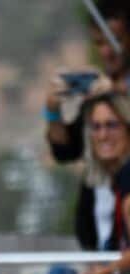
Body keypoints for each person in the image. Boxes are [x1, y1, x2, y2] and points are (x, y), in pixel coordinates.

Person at [46, 0, 130, 164]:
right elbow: (66, 152)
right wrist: (52, 111)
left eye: (115, 41)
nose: (106, 52)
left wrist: (118, 91)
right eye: (99, 43)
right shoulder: (98, 92)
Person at [75, 91, 130, 250]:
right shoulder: (91, 182)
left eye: (112, 125)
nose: (103, 135)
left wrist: (107, 271)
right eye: (96, 127)